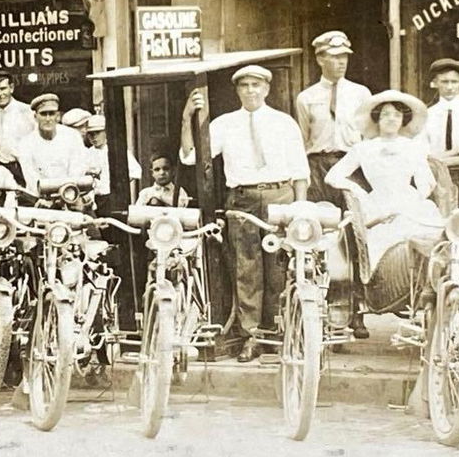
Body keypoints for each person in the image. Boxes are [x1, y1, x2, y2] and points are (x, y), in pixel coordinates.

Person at [178, 64, 309, 362]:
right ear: (237, 90)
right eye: (245, 85)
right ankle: (252, 336)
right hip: (243, 199)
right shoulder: (225, 124)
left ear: (267, 89)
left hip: (281, 195)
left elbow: (300, 169)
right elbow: (190, 157)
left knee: (280, 265)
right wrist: (187, 117)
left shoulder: (284, 123)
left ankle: (279, 331)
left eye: (256, 85)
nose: (251, 90)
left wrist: (300, 208)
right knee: (247, 269)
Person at [324, 91, 443, 338]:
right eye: (386, 114)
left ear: (404, 120)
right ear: (377, 119)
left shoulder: (413, 147)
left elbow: (426, 182)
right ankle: (374, 292)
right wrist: (356, 189)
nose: (391, 119)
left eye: (397, 115)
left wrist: (413, 200)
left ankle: (425, 290)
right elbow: (332, 176)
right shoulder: (364, 148)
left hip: (407, 200)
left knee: (428, 234)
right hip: (376, 202)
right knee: (367, 235)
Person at [295, 30, 372, 205]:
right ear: (320, 59)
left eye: (345, 56)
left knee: (355, 219)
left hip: (352, 165)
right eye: (335, 57)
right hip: (318, 167)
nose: (342, 62)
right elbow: (304, 138)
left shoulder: (361, 93)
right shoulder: (306, 97)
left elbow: (368, 136)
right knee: (321, 219)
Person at [422, 57, 459, 209]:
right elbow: (424, 153)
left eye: (454, 82)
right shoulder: (426, 115)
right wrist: (455, 154)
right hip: (438, 174)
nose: (449, 87)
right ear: (435, 83)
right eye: (444, 81)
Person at [14, 93, 98, 195]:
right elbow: (31, 178)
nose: (48, 119)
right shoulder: (26, 144)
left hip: (70, 194)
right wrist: (45, 198)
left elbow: (77, 170)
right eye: (43, 114)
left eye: (51, 113)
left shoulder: (72, 136)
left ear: (58, 116)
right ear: (35, 117)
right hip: (40, 199)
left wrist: (66, 194)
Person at [0, 71, 36, 170]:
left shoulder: (28, 112)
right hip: (0, 169)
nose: (0, 94)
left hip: (27, 167)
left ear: (11, 88)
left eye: (3, 89)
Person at [84, 113, 140, 207]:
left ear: (106, 132)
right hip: (95, 198)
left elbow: (136, 171)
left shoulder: (116, 151)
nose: (94, 137)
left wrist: (120, 181)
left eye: (97, 133)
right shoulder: (87, 154)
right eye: (91, 134)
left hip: (113, 197)